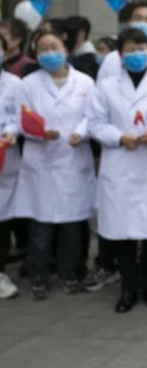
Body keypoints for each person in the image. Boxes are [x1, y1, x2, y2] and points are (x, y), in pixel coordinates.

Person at [89, 28, 147, 313]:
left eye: (142, 46)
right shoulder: (106, 86)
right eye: (130, 48)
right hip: (120, 163)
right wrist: (118, 136)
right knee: (121, 230)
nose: (137, 53)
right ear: (120, 54)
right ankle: (129, 286)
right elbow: (95, 123)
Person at [12, 28, 96, 300]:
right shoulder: (28, 84)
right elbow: (20, 120)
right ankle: (39, 275)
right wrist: (38, 132)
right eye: (43, 49)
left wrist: (80, 132)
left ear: (65, 48)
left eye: (54, 46)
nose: (49, 53)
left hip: (74, 158)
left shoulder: (84, 82)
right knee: (41, 226)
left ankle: (70, 274)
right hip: (41, 161)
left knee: (72, 226)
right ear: (35, 55)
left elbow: (92, 115)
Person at [0, 34, 23, 300]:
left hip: (4, 158)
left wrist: (10, 131)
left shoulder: (15, 84)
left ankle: (1, 273)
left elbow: (19, 117)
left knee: (2, 220)